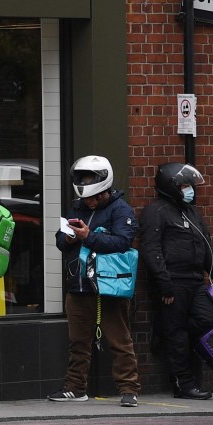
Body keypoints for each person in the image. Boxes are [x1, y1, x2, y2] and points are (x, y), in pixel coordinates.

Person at [48, 155, 140, 407]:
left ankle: (129, 389)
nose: (85, 202)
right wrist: (67, 239)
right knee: (78, 340)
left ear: (102, 192)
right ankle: (75, 387)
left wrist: (88, 237)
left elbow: (122, 243)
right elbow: (60, 240)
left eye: (90, 197)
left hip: (109, 286)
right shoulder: (77, 207)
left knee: (119, 340)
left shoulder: (122, 210)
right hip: (79, 283)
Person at [139, 162, 213, 400]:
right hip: (173, 283)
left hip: (195, 282)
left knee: (208, 318)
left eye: (190, 185)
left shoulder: (191, 212)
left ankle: (166, 333)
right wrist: (164, 283)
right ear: (170, 186)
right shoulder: (156, 211)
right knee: (178, 334)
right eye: (184, 185)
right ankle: (183, 384)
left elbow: (206, 246)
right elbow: (152, 249)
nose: (189, 190)